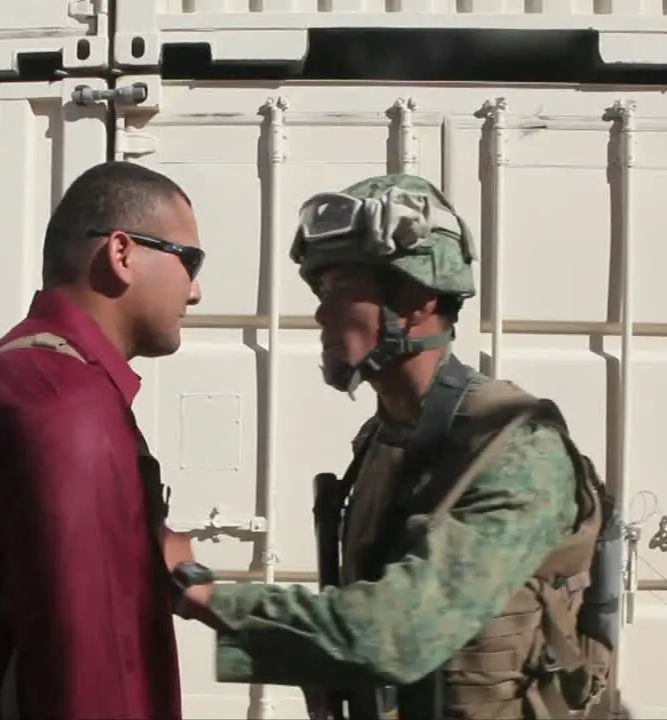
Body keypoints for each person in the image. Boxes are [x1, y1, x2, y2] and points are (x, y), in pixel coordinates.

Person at [173, 174, 616, 719]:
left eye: (340, 290)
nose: (320, 314)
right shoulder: (386, 436)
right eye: (320, 292)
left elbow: (400, 633)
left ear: (416, 300)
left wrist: (202, 596)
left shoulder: (516, 450)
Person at [0, 160, 205, 719]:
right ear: (122, 253)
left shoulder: (15, 373)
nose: (197, 291)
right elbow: (88, 670)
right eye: (189, 260)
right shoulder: (67, 408)